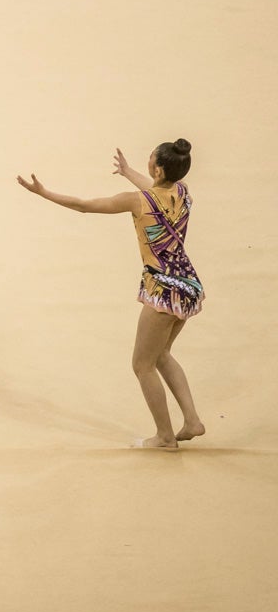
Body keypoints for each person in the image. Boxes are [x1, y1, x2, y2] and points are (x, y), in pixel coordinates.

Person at [17, 139, 206, 449]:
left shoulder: (137, 202)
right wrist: (129, 171)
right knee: (161, 355)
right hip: (188, 286)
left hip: (163, 291)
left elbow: (84, 205)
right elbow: (157, 188)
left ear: (157, 168)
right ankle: (192, 421)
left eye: (149, 161)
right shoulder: (182, 192)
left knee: (142, 364)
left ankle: (165, 437)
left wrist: (44, 193)